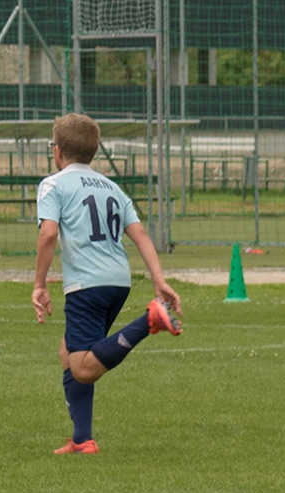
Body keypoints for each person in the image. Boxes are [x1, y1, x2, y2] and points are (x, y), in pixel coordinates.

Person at [31, 113, 184, 454]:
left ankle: (149, 321)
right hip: (118, 280)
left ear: (58, 151)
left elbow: (49, 233)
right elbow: (140, 234)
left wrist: (39, 284)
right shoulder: (111, 187)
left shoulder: (53, 184)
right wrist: (159, 280)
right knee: (68, 353)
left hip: (87, 283)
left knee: (83, 368)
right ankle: (82, 439)